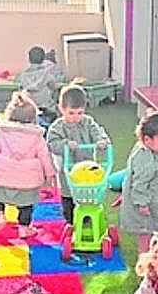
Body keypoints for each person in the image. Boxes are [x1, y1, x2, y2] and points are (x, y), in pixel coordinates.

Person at [0, 91, 58, 238]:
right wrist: (50, 175)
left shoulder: (2, 133)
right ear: (34, 118)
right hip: (27, 182)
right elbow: (45, 157)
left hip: (2, 178)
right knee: (26, 206)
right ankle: (24, 227)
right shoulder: (37, 137)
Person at [45, 83, 112, 224]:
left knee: (88, 198)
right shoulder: (57, 127)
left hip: (88, 169)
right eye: (71, 113)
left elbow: (98, 132)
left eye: (80, 113)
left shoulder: (88, 122)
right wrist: (65, 144)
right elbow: (52, 144)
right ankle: (70, 222)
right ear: (62, 109)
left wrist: (102, 141)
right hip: (68, 171)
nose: (76, 117)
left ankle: (87, 221)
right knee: (69, 200)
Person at [118, 113, 158, 254]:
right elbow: (140, 183)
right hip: (149, 203)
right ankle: (145, 259)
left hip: (157, 198)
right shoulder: (146, 158)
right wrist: (142, 203)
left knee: (155, 232)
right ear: (147, 139)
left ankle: (154, 256)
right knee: (147, 232)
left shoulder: (152, 150)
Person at [16, 45, 64, 123]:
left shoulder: (22, 76)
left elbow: (20, 90)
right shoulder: (46, 74)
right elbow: (54, 87)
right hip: (46, 108)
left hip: (29, 109)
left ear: (29, 59)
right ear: (43, 59)